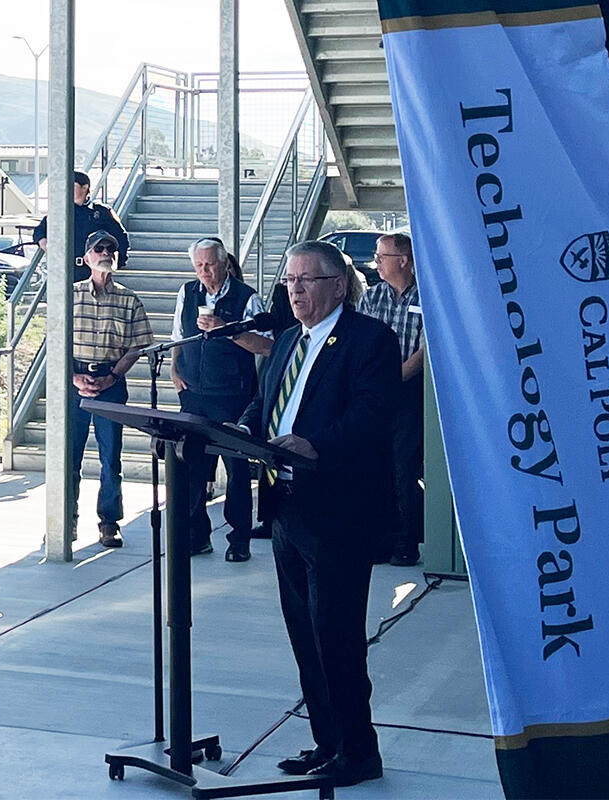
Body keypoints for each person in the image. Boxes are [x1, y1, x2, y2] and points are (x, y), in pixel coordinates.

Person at [238, 240, 400, 787]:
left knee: (337, 636)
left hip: (339, 511)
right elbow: (267, 406)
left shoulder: (369, 340)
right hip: (286, 508)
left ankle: (359, 750)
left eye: (307, 280)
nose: (296, 290)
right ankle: (327, 741)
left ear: (337, 285)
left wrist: (316, 447)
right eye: (289, 281)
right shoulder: (286, 341)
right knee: (304, 634)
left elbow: (372, 416)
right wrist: (240, 430)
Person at [169, 237, 271, 562]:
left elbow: (267, 345)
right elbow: (177, 336)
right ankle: (197, 535)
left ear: (225, 263)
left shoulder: (247, 298)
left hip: (233, 396)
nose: (205, 272)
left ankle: (239, 539)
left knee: (237, 471)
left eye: (210, 265)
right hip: (194, 394)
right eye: (199, 266)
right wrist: (174, 371)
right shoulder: (187, 293)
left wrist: (227, 329)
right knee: (192, 467)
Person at [71, 230, 154, 547]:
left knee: (110, 458)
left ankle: (109, 522)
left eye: (111, 249)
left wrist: (111, 377)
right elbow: (56, 340)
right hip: (74, 380)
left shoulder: (130, 300)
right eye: (99, 248)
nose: (106, 252)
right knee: (70, 456)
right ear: (87, 256)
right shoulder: (71, 294)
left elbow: (137, 347)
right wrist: (74, 378)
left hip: (110, 383)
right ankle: (67, 520)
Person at [358, 233, 425, 566]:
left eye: (382, 256)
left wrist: (391, 380)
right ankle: (378, 536)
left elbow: (425, 351)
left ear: (403, 260)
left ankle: (406, 540)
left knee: (403, 468)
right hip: (373, 395)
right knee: (374, 466)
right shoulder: (372, 298)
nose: (376, 262)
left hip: (409, 393)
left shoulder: (428, 295)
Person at [33, 170, 130, 283]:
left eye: (71, 185)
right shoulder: (60, 212)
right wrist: (44, 242)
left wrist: (117, 263)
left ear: (84, 188)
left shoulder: (102, 212)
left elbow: (121, 238)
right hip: (66, 271)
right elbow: (40, 230)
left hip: (94, 271)